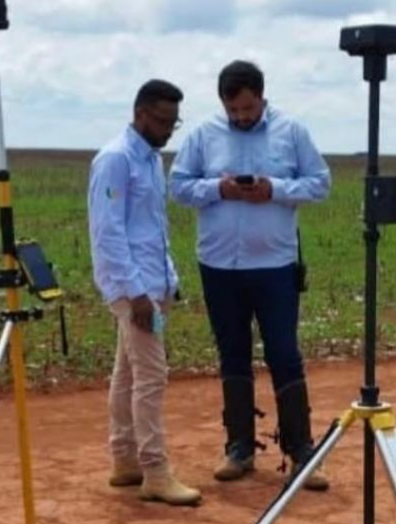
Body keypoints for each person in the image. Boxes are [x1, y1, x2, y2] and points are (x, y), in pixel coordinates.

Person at [169, 60, 331, 488]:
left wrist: (275, 189)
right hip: (219, 266)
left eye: (248, 108)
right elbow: (178, 186)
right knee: (232, 353)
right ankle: (239, 448)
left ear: (261, 96)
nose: (241, 117)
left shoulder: (291, 132)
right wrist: (217, 189)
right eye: (233, 110)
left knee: (284, 353)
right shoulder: (202, 135)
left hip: (275, 266)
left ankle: (302, 452)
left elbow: (320, 183)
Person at [87, 79, 202, 506]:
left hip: (153, 284)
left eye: (174, 123)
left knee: (129, 373)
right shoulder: (116, 159)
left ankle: (125, 459)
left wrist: (168, 279)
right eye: (163, 121)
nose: (169, 130)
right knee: (152, 375)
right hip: (133, 289)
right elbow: (109, 232)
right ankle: (155, 471)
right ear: (140, 114)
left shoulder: (150, 159)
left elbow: (152, 227)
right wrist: (136, 293)